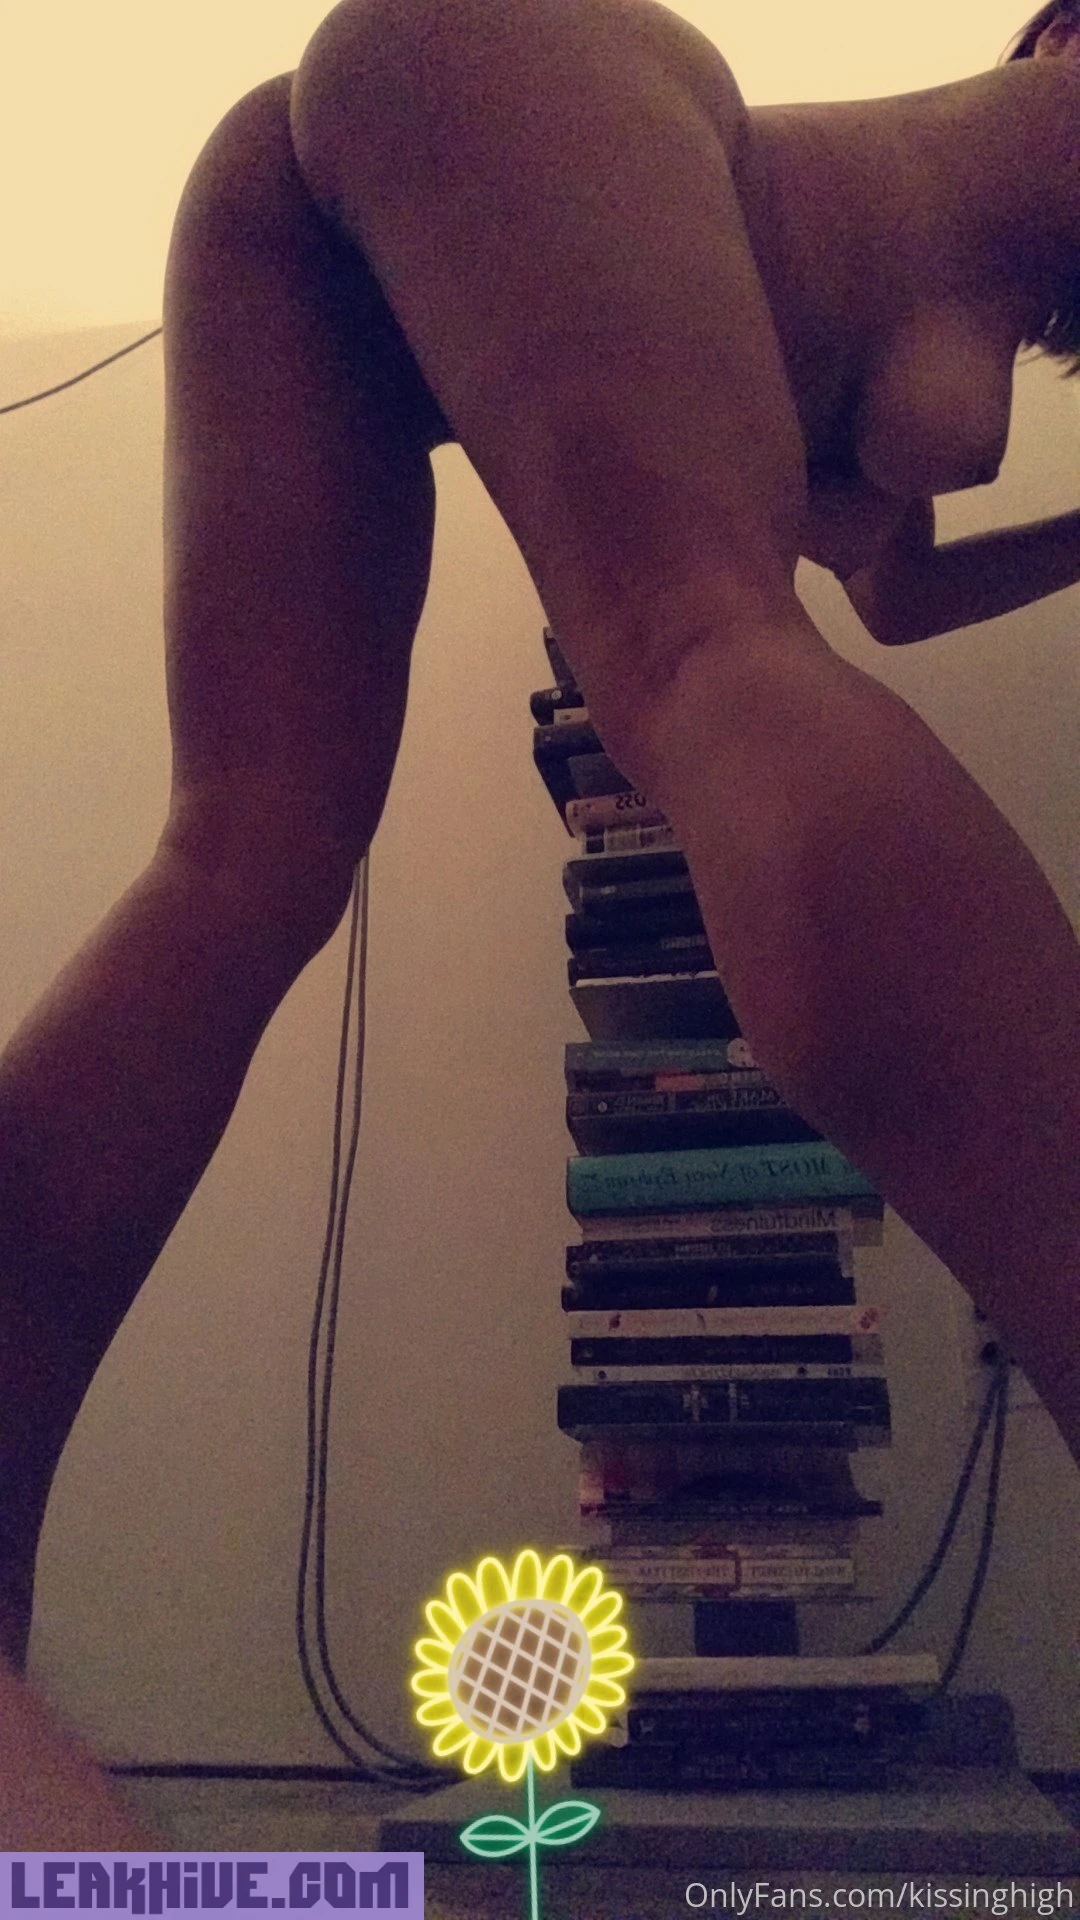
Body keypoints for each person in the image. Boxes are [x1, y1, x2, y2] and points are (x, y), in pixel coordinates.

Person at [1, 0, 1077, 1845]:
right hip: (507, 63)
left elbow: (891, 595)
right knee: (702, 653)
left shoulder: (930, 251)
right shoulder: (1032, 143)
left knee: (238, 857)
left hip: (337, 149)